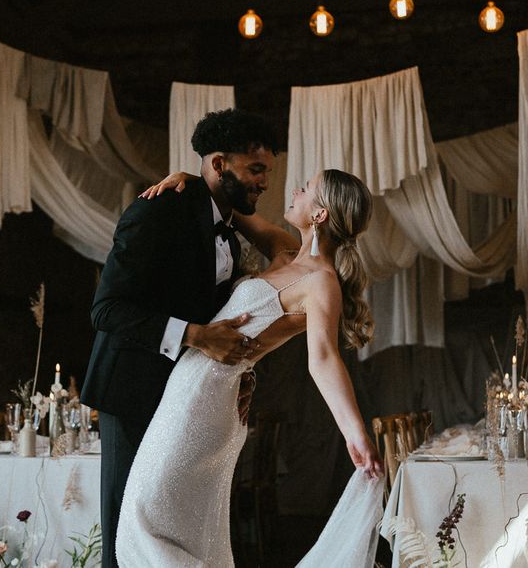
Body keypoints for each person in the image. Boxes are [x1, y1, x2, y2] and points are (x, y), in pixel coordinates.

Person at [116, 168, 384, 567]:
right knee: (184, 530)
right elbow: (233, 209)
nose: (295, 189)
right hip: (194, 388)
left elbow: (324, 359)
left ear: (321, 214)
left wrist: (356, 434)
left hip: (203, 401)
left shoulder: (321, 282)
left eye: (307, 189)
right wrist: (190, 179)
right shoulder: (285, 251)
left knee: (145, 520)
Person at [80, 108, 292, 568]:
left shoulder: (228, 228)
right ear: (219, 164)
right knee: (126, 533)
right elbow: (107, 309)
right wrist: (195, 336)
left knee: (169, 528)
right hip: (132, 389)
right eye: (255, 169)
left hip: (182, 398)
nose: (264, 183)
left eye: (267, 172)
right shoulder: (157, 211)